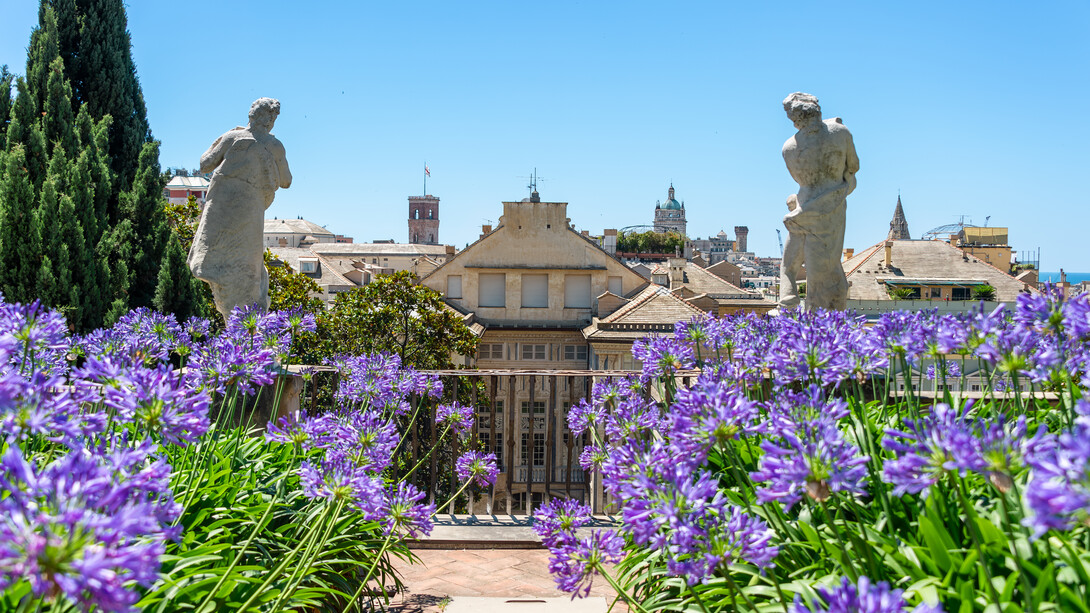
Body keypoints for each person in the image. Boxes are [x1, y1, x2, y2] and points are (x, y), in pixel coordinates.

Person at [188, 98, 292, 320]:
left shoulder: (232, 138)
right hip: (249, 211)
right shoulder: (275, 146)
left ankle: (237, 321)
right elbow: (286, 181)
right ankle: (245, 321)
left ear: (251, 115)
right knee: (247, 268)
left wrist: (224, 139)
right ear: (271, 120)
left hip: (221, 208)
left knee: (221, 261)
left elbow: (205, 164)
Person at [778, 92, 858, 311]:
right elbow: (853, 166)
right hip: (832, 206)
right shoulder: (840, 133)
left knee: (789, 263)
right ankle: (823, 322)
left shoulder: (789, 148)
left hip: (802, 207)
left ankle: (789, 303)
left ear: (795, 119)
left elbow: (799, 178)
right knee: (826, 267)